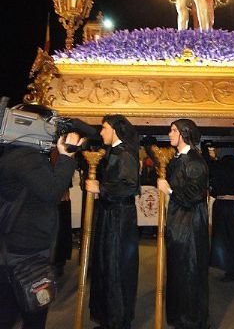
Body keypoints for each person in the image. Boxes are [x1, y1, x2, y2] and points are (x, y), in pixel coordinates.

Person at [0, 104, 82, 329]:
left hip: (14, 243)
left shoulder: (16, 154)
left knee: (9, 307)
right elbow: (52, 192)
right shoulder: (27, 158)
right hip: (26, 248)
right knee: (33, 308)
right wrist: (67, 156)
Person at [86, 114, 140, 329]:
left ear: (115, 130)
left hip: (119, 219)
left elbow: (129, 187)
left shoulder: (125, 154)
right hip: (111, 217)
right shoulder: (114, 152)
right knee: (106, 266)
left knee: (116, 267)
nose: (101, 132)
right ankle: (109, 318)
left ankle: (118, 321)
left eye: (104, 128)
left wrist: (101, 188)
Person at [157, 119, 209, 329]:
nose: (169, 134)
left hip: (190, 227)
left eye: (173, 130)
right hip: (179, 224)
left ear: (184, 134)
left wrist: (169, 190)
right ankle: (180, 318)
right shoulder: (179, 159)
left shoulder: (194, 161)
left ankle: (191, 321)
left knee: (190, 272)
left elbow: (194, 195)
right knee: (179, 271)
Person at [209, 148, 234, 281]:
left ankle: (231, 268)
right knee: (233, 238)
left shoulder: (222, 165)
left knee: (225, 238)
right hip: (231, 205)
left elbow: (215, 181)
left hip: (223, 205)